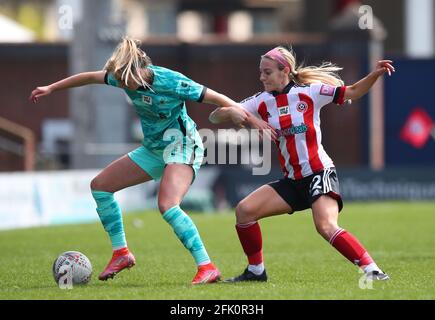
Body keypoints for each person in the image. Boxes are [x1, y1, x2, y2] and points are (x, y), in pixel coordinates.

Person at [29, 37, 268, 285]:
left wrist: (251, 119)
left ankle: (207, 266)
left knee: (167, 204)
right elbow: (89, 77)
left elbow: (217, 97)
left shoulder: (170, 80)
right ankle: (121, 253)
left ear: (139, 70)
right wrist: (51, 88)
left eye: (124, 80)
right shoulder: (122, 76)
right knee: (100, 186)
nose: (122, 85)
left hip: (183, 145)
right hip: (153, 149)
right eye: (118, 80)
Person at [209, 46, 394, 282]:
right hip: (293, 181)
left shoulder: (311, 93)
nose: (261, 77)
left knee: (325, 226)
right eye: (261, 72)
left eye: (267, 72)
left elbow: (353, 92)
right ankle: (256, 271)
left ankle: (372, 270)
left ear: (283, 70)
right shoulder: (261, 101)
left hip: (319, 173)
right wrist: (240, 116)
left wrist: (375, 74)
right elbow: (215, 115)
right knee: (244, 211)